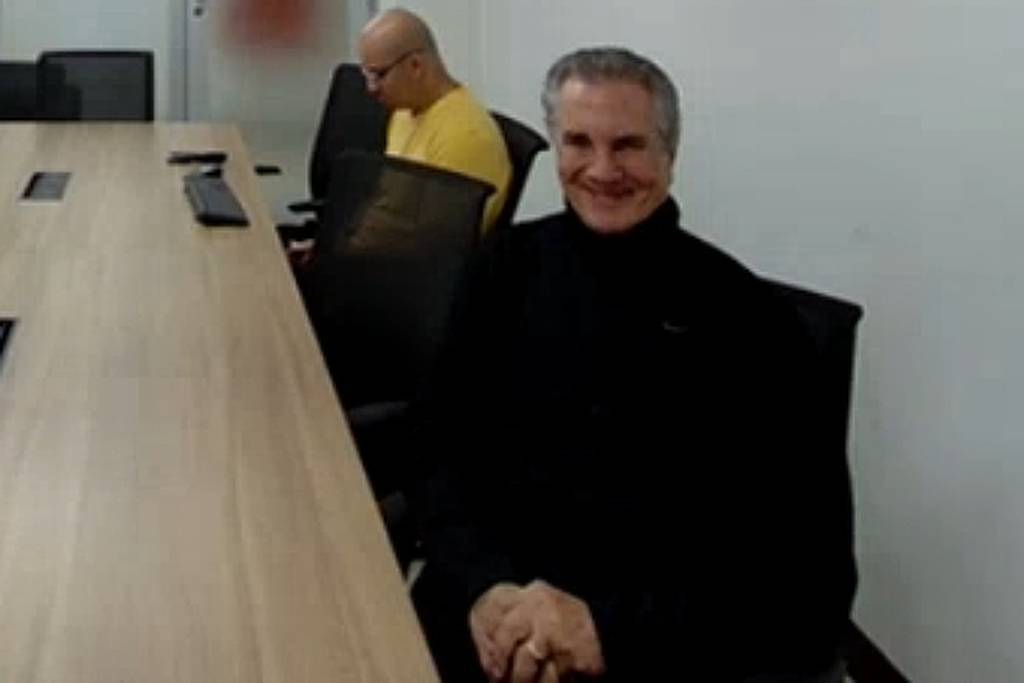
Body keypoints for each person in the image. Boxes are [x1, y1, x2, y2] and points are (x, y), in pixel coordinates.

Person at [410, 47, 856, 682]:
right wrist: (485, 589)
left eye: (628, 145)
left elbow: (809, 583)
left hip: (658, 648)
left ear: (670, 153)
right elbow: (440, 452)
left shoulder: (753, 323)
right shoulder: (503, 268)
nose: (602, 169)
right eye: (578, 142)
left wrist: (604, 631)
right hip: (492, 623)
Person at [358, 8, 512, 232]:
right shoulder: (403, 112)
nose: (371, 89)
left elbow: (434, 239)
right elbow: (388, 204)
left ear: (416, 66)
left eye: (379, 75)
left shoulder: (464, 135)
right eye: (367, 75)